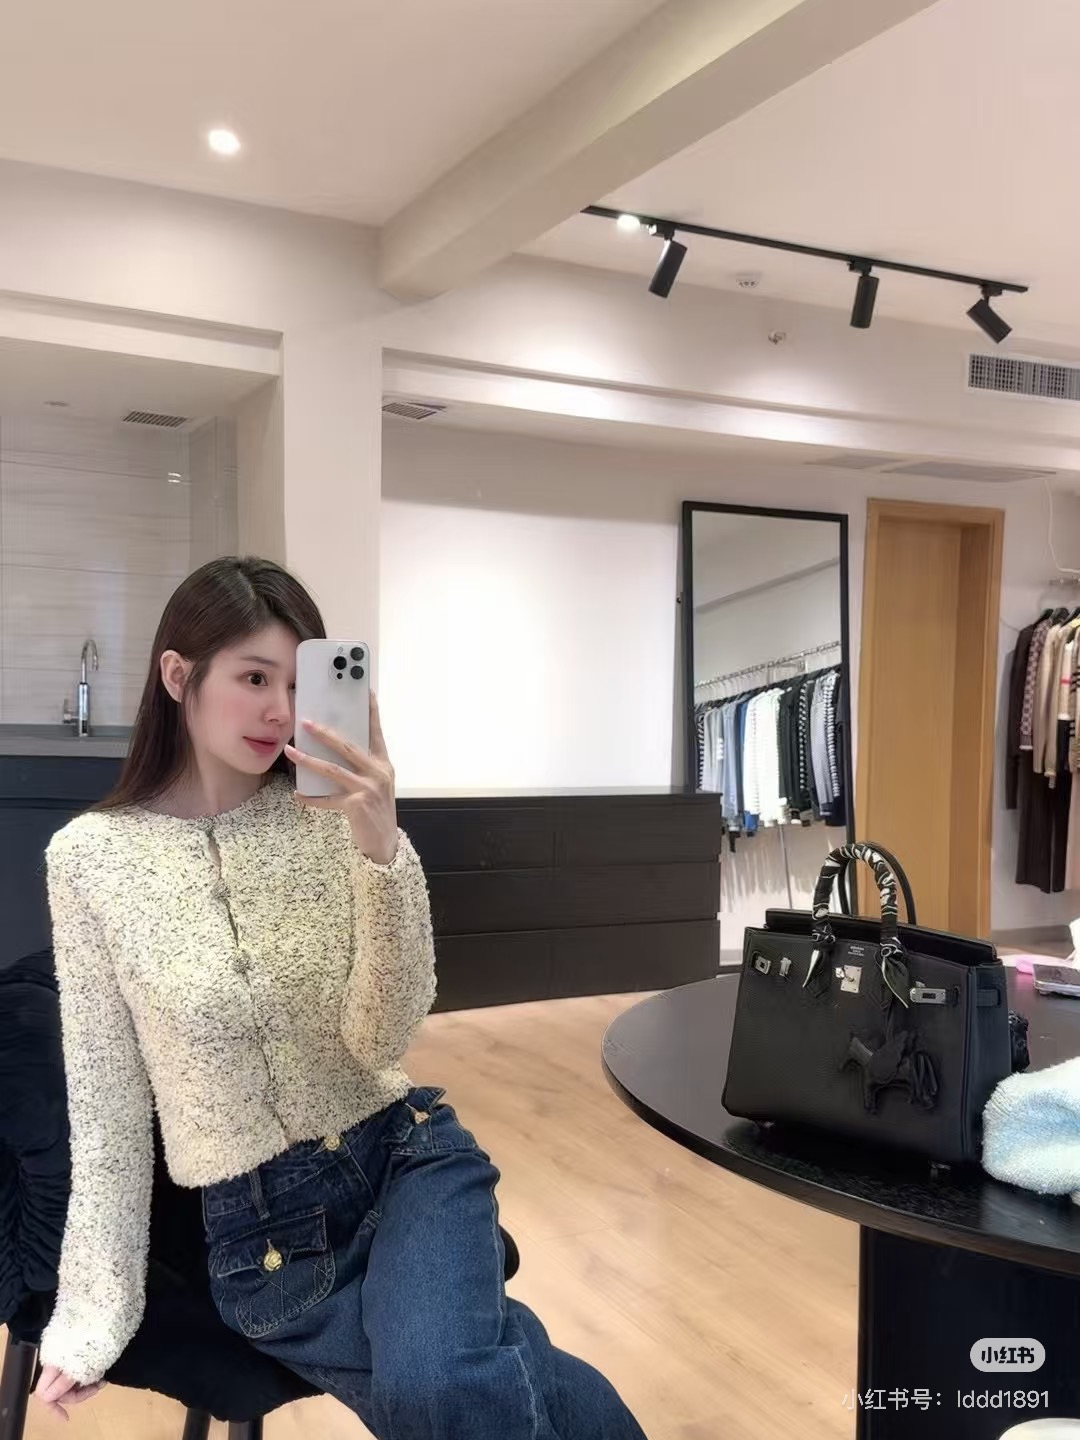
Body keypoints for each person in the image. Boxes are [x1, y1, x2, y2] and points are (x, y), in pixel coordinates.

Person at [33, 555, 647, 1438]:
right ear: (177, 675)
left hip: (403, 1160)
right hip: (268, 1243)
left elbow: (382, 1040)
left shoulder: (331, 822)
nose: (280, 710)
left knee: (441, 1387)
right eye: (254, 678)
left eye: (298, 682)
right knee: (476, 1380)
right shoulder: (89, 860)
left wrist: (379, 849)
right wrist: (93, 1312)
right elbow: (108, 1104)